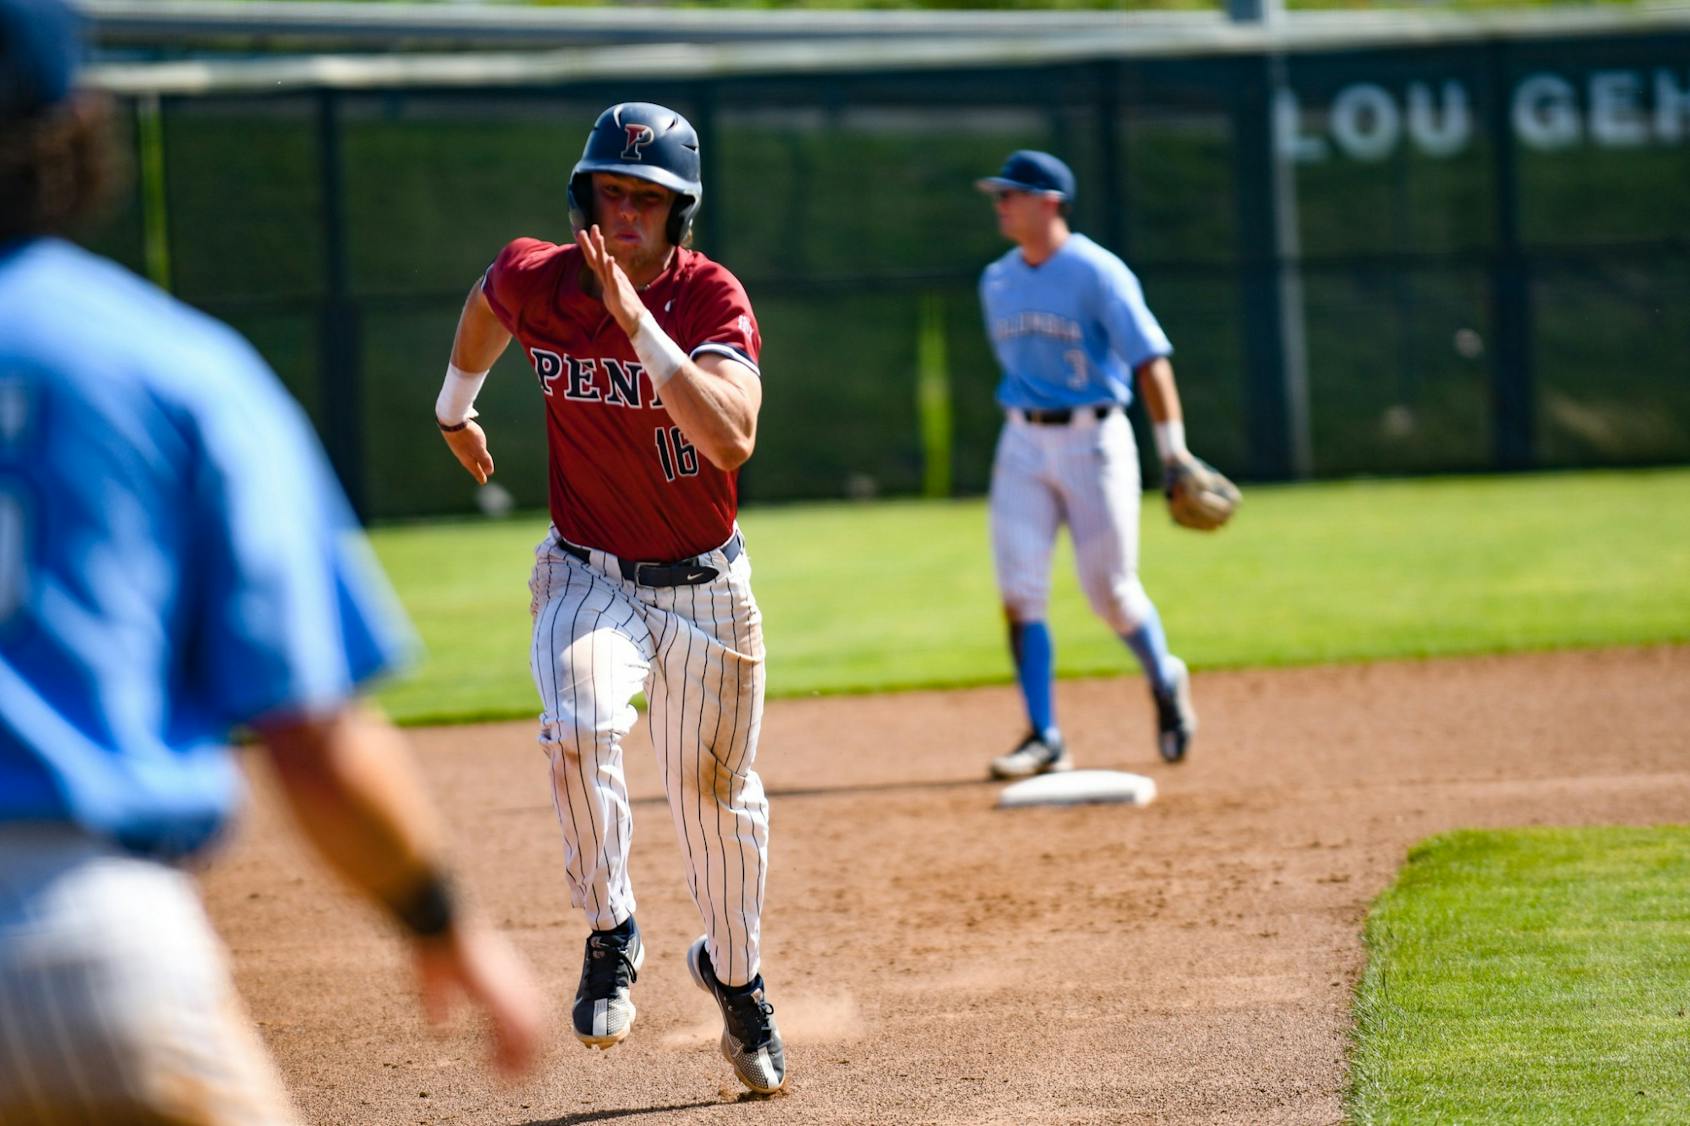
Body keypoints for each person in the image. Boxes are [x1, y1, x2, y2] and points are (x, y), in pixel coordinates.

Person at [0, 1, 543, 1118]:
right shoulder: (168, 366)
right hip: (83, 945)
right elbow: (311, 737)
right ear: (77, 128)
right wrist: (440, 922)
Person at [434, 101, 785, 1095]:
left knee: (717, 803)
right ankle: (611, 927)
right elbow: (486, 299)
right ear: (582, 197)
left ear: (682, 214)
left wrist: (637, 326)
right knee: (578, 724)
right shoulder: (540, 276)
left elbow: (731, 439)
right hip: (587, 570)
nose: (623, 213)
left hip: (707, 590)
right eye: (608, 193)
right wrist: (453, 406)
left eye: (647, 199)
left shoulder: (710, 300)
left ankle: (738, 979)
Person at [974, 149, 1204, 779]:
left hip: (1095, 439)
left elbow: (1149, 359)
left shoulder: (1099, 273)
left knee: (1110, 592)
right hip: (1021, 443)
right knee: (1020, 593)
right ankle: (1044, 734)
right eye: (997, 195)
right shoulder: (996, 281)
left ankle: (1164, 677)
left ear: (1048, 201)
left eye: (1010, 195)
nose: (1000, 205)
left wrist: (1173, 451)